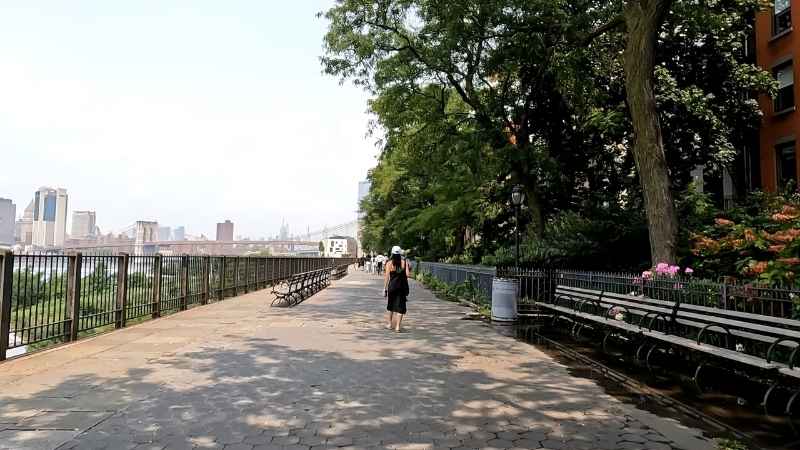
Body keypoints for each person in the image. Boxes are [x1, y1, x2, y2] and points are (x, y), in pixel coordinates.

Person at [383, 246, 410, 332]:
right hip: (401, 287)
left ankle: (390, 324)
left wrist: (384, 289)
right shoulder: (404, 262)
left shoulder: (389, 263)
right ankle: (398, 326)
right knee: (400, 307)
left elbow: (387, 277)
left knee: (390, 305)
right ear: (400, 253)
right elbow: (408, 275)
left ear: (392, 253)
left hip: (392, 287)